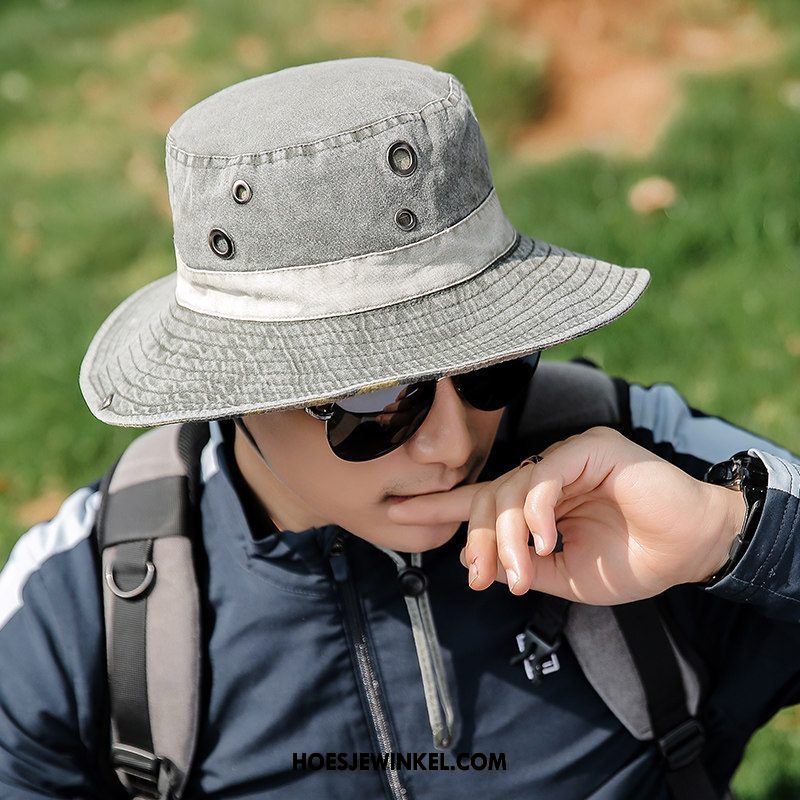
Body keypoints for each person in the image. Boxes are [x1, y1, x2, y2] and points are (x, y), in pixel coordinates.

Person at [0, 56, 798, 800]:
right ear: (232, 391)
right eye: (375, 403)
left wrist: (725, 538)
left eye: (495, 365)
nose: (454, 443)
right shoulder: (95, 602)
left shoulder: (643, 463)